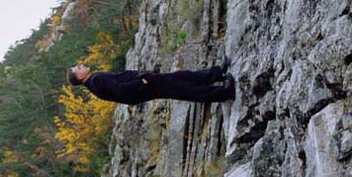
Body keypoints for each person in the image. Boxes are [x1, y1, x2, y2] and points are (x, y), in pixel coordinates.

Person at [67, 61, 235, 106]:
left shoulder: (95, 81)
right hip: (146, 86)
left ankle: (217, 73)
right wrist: (143, 82)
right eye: (78, 68)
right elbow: (121, 91)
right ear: (80, 77)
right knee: (185, 89)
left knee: (181, 77)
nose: (81, 65)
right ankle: (224, 92)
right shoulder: (96, 81)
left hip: (146, 85)